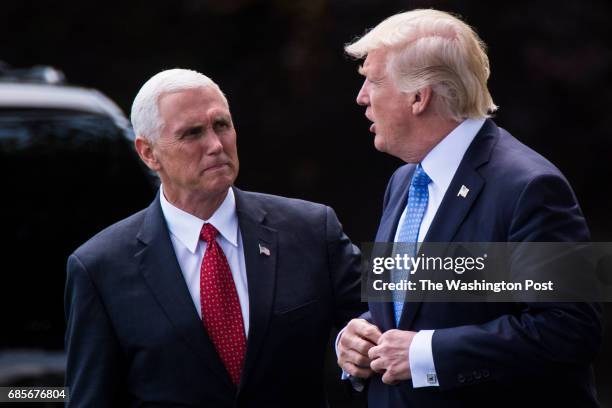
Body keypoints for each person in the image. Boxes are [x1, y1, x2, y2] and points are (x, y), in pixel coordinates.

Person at [336, 9, 602, 407]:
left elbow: (569, 328)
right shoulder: (405, 181)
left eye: (373, 81)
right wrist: (360, 333)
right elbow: (416, 307)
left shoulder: (529, 186)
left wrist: (428, 354)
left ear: (418, 97)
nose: (361, 97)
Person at [65, 68, 365, 407]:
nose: (216, 145)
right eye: (192, 133)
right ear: (149, 153)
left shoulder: (311, 229)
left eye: (221, 125)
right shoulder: (100, 267)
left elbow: (386, 318)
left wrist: (355, 344)